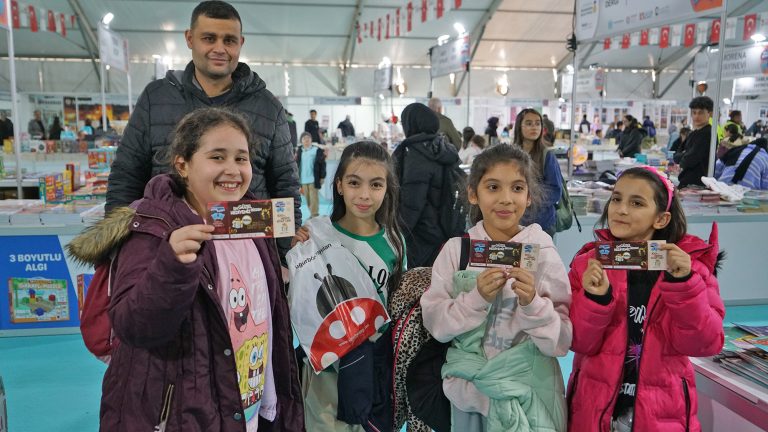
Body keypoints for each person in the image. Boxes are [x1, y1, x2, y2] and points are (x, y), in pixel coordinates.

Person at [70, 108, 303, 431]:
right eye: (217, 157)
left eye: (241, 158)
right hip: (182, 414)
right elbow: (132, 326)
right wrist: (171, 266)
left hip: (244, 405)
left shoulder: (251, 221)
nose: (232, 170)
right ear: (183, 164)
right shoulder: (153, 228)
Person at [106, 0, 301, 258]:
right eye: (209, 38)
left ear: (241, 43)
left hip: (247, 256)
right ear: (189, 39)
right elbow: (126, 177)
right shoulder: (156, 98)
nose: (219, 48)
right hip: (167, 251)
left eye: (229, 40)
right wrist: (119, 251)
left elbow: (286, 187)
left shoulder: (268, 107)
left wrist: (286, 259)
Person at [421, 144, 571, 431]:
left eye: (517, 188)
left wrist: (533, 304)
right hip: (469, 396)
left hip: (527, 396)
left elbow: (561, 341)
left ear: (529, 197)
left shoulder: (542, 252)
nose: (506, 199)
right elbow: (436, 325)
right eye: (493, 187)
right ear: (473, 193)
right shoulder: (458, 251)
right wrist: (476, 298)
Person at [567, 166, 724, 431]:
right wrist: (597, 299)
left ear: (661, 219)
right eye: (616, 199)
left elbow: (704, 343)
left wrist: (683, 285)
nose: (621, 209)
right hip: (594, 408)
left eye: (637, 203)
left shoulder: (690, 270)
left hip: (662, 412)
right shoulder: (588, 265)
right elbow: (578, 341)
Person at [292, 140, 406, 432]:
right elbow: (301, 300)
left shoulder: (394, 242)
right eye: (355, 183)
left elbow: (395, 306)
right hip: (327, 368)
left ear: (387, 188)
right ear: (340, 185)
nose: (364, 195)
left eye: (376, 185)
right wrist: (296, 254)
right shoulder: (316, 234)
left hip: (373, 366)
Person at [393, 102, 462, 267]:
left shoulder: (416, 153)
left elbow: (412, 202)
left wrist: (397, 234)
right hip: (443, 227)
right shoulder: (442, 147)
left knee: (415, 283)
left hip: (420, 233)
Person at [513, 108, 563, 236]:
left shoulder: (547, 156)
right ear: (519, 126)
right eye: (529, 123)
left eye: (537, 123)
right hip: (515, 221)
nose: (534, 127)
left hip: (541, 223)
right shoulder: (510, 155)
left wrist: (529, 198)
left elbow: (555, 190)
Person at [678, 96, 714, 188]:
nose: (696, 116)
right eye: (694, 112)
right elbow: (677, 154)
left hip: (698, 185)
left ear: (710, 113)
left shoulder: (708, 133)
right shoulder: (693, 133)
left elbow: (690, 160)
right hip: (687, 182)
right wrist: (684, 155)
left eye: (701, 113)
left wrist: (684, 155)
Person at [295, 131, 326, 218]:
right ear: (301, 141)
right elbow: (297, 165)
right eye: (304, 139)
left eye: (308, 138)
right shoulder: (300, 151)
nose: (306, 140)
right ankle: (312, 214)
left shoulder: (316, 150)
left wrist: (322, 176)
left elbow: (322, 164)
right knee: (308, 199)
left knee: (314, 199)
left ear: (311, 140)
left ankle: (314, 215)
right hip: (303, 180)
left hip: (313, 179)